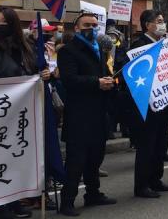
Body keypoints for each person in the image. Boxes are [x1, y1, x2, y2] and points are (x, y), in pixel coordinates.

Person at [0, 7, 50, 219]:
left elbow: (33, 71)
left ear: (13, 23)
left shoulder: (27, 47)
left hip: (24, 114)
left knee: (17, 157)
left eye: (3, 21)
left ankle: (15, 200)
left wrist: (43, 74)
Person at [57, 12, 117, 216]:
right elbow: (69, 80)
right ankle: (67, 201)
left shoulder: (99, 48)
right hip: (79, 116)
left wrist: (109, 82)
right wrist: (97, 82)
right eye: (86, 25)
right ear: (76, 28)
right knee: (76, 161)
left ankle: (93, 193)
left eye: (94, 24)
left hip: (99, 113)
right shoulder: (68, 51)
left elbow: (103, 74)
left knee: (95, 158)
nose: (91, 28)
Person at [130, 10, 168, 198]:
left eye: (163, 21)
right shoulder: (139, 46)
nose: (162, 24)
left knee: (160, 144)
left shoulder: (164, 45)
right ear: (147, 24)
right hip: (148, 105)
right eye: (159, 21)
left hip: (165, 104)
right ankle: (141, 185)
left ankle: (156, 179)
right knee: (147, 146)